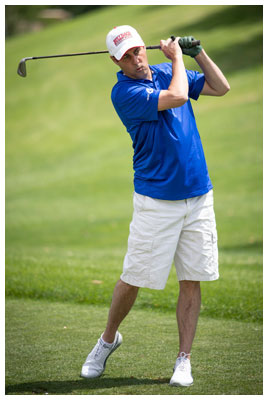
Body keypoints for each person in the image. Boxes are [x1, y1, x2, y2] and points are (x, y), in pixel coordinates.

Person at [81, 25, 230, 387]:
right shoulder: (125, 92)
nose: (136, 59)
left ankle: (184, 359)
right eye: (127, 56)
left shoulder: (165, 71)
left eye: (138, 51)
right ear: (115, 61)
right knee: (133, 278)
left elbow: (221, 87)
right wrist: (177, 58)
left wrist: (197, 54)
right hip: (156, 200)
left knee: (191, 279)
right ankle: (107, 339)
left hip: (198, 195)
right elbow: (178, 97)